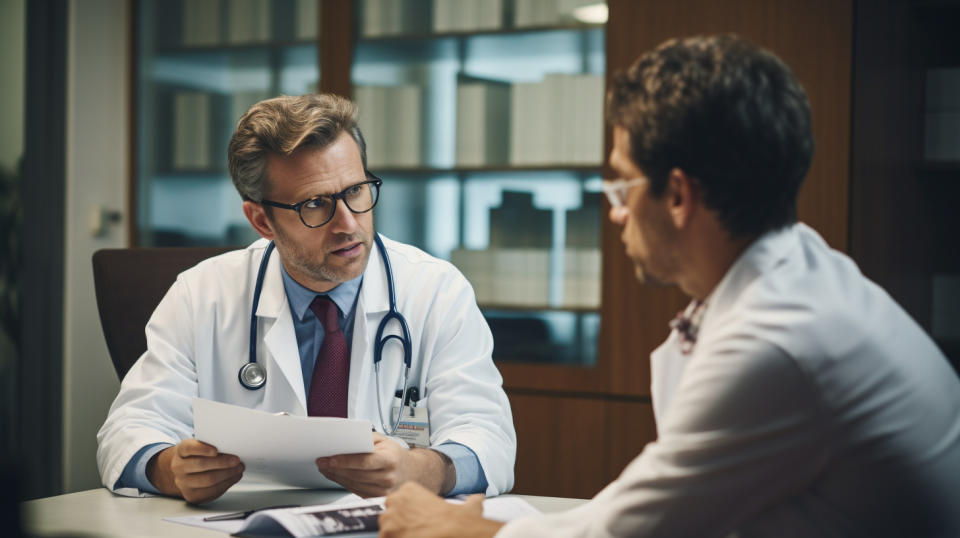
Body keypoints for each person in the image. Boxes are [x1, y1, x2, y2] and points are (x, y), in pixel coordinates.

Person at [377, 34, 960, 538]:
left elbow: (630, 530)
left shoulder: (777, 341)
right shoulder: (798, 268)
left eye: (622, 187)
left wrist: (460, 527)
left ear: (678, 196)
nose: (616, 214)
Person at [96, 94, 516, 504]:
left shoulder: (436, 290)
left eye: (356, 190)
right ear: (262, 220)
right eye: (315, 205)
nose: (348, 224)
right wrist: (171, 469)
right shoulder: (201, 294)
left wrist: (421, 470)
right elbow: (129, 430)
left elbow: (488, 439)